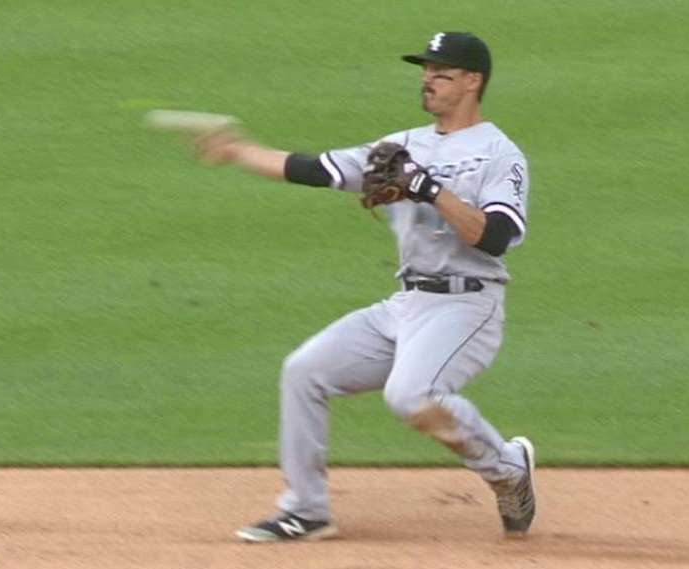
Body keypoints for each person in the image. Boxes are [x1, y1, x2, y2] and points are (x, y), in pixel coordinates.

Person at [193, 31, 537, 542]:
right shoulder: (400, 147)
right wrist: (240, 151)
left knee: (411, 395)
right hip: (406, 303)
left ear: (472, 81)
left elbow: (497, 237)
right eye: (425, 70)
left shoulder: (499, 154)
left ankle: (507, 469)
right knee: (304, 371)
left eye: (441, 72)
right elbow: (313, 169)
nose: (428, 79)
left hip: (467, 305)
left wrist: (429, 190)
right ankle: (306, 510)